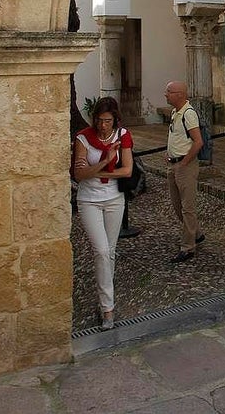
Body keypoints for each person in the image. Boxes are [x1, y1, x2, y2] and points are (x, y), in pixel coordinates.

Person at [72, 96, 133, 329]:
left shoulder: (123, 135)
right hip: (89, 200)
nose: (102, 125)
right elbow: (79, 175)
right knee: (101, 250)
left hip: (114, 199)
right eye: (99, 120)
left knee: (110, 252)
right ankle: (108, 308)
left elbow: (126, 170)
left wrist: (92, 171)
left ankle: (105, 295)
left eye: (107, 120)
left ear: (115, 119)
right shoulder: (83, 138)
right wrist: (105, 161)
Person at [164, 81, 205, 263]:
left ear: (179, 94)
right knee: (177, 205)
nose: (166, 95)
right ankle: (196, 233)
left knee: (188, 208)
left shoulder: (188, 114)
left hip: (185, 166)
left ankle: (188, 247)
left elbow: (198, 141)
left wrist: (184, 163)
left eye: (169, 92)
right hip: (174, 164)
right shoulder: (175, 113)